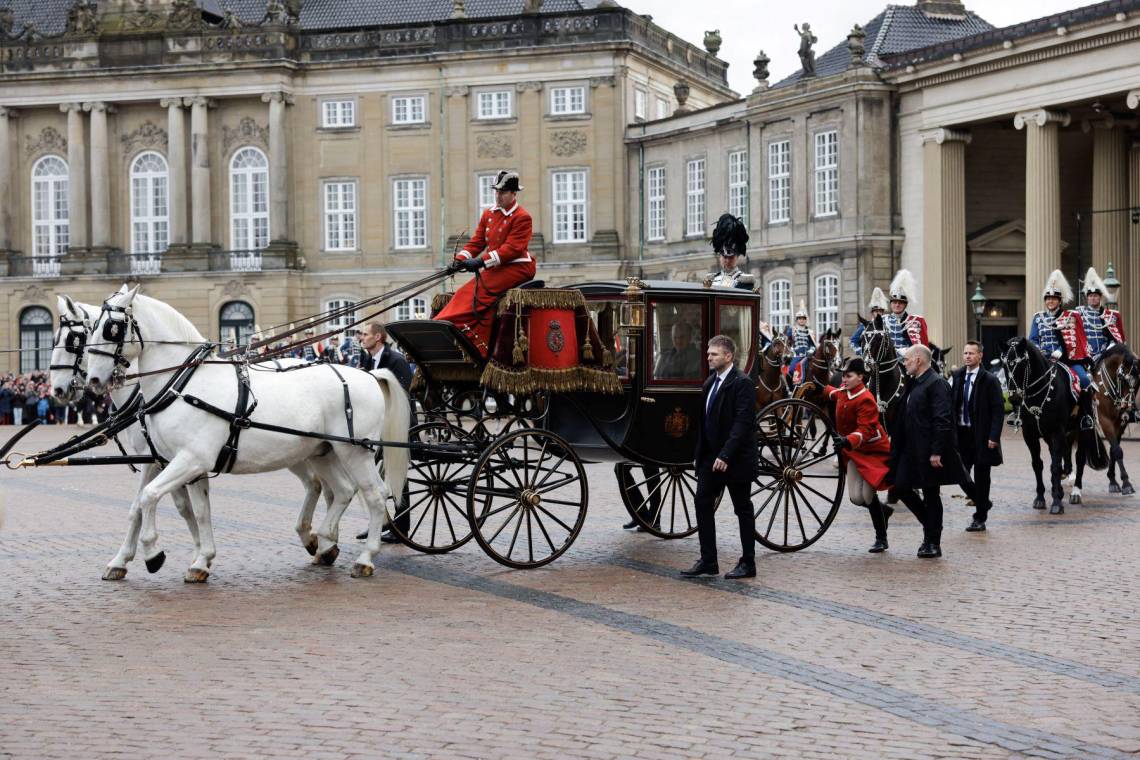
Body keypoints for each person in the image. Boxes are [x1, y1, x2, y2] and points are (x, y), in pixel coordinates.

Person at [681, 335, 759, 580]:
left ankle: (748, 562)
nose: (709, 357)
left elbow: (743, 423)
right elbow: (704, 424)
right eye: (708, 353)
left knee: (742, 508)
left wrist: (726, 454)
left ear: (728, 356)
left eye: (714, 354)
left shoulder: (742, 383)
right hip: (710, 458)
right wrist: (699, 455)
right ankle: (708, 560)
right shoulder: (709, 383)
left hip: (735, 459)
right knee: (702, 502)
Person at [435, 170, 535, 355]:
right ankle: (450, 326)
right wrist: (460, 261)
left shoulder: (522, 217)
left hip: (518, 266)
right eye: (496, 191)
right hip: (496, 265)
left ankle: (450, 326)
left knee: (478, 291)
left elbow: (511, 249)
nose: (498, 196)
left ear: (514, 194)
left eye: (503, 192)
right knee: (465, 291)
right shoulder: (489, 214)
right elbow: (477, 242)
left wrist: (481, 261)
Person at [887, 345, 973, 558]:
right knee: (900, 487)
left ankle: (933, 541)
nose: (904, 363)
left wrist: (936, 451)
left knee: (931, 493)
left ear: (918, 360)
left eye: (907, 359)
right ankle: (930, 524)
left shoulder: (937, 383)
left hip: (928, 450)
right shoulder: (913, 383)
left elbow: (943, 419)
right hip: (909, 449)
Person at [825, 358, 894, 552]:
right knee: (856, 498)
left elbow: (866, 430)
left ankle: (881, 538)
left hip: (872, 451)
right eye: (843, 375)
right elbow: (833, 393)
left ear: (860, 377)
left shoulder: (866, 399)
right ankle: (884, 511)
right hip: (855, 451)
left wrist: (847, 440)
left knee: (867, 495)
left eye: (848, 376)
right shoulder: (844, 391)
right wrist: (818, 386)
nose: (844, 379)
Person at [357, 321, 414, 543]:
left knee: (398, 475)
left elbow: (402, 396)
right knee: (373, 477)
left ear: (378, 337)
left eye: (365, 334)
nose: (362, 338)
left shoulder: (396, 360)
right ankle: (379, 523)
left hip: (397, 424)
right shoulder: (368, 359)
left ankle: (401, 528)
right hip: (376, 425)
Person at [951, 341, 1004, 532]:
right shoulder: (957, 376)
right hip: (962, 435)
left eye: (971, 353)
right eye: (965, 353)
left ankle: (980, 517)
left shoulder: (989, 380)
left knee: (982, 477)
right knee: (959, 474)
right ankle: (983, 501)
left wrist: (994, 437)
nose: (967, 357)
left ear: (980, 355)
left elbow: (998, 411)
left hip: (981, 436)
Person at [1028, 269, 1089, 389]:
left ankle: (1086, 407)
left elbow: (1073, 340)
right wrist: (1040, 352)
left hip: (1065, 358)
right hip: (1043, 358)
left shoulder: (1069, 317)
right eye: (1048, 298)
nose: (1050, 301)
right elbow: (1033, 339)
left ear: (1060, 301)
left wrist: (1060, 351)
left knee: (1084, 380)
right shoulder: (1038, 317)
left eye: (1054, 299)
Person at [1077, 267, 1127, 363]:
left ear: (1100, 297)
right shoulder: (1079, 313)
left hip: (1105, 354)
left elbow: (1118, 337)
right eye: (1090, 296)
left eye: (1095, 296)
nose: (1093, 298)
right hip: (1085, 354)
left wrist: (1111, 347)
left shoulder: (1111, 315)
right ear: (1087, 298)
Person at [884, 270, 929, 357]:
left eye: (900, 302)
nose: (897, 305)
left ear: (905, 305)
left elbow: (923, 346)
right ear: (891, 303)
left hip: (909, 359)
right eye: (894, 302)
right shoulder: (883, 320)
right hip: (887, 359)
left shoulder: (916, 321)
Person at [709, 213, 749, 288]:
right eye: (724, 257)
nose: (727, 261)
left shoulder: (744, 281)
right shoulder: (712, 280)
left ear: (737, 256)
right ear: (720, 256)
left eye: (731, 258)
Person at [850, 287, 888, 355]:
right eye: (876, 311)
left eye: (880, 311)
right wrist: (861, 352)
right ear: (872, 313)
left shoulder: (887, 325)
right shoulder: (866, 326)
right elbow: (852, 341)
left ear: (883, 312)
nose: (878, 313)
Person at [785, 301, 816, 384]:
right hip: (796, 355)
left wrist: (810, 351)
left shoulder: (809, 331)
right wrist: (790, 334)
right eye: (800, 318)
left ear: (806, 320)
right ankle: (792, 387)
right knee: (791, 370)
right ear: (797, 320)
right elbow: (787, 342)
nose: (802, 320)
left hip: (807, 356)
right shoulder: (792, 330)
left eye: (803, 318)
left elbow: (813, 345)